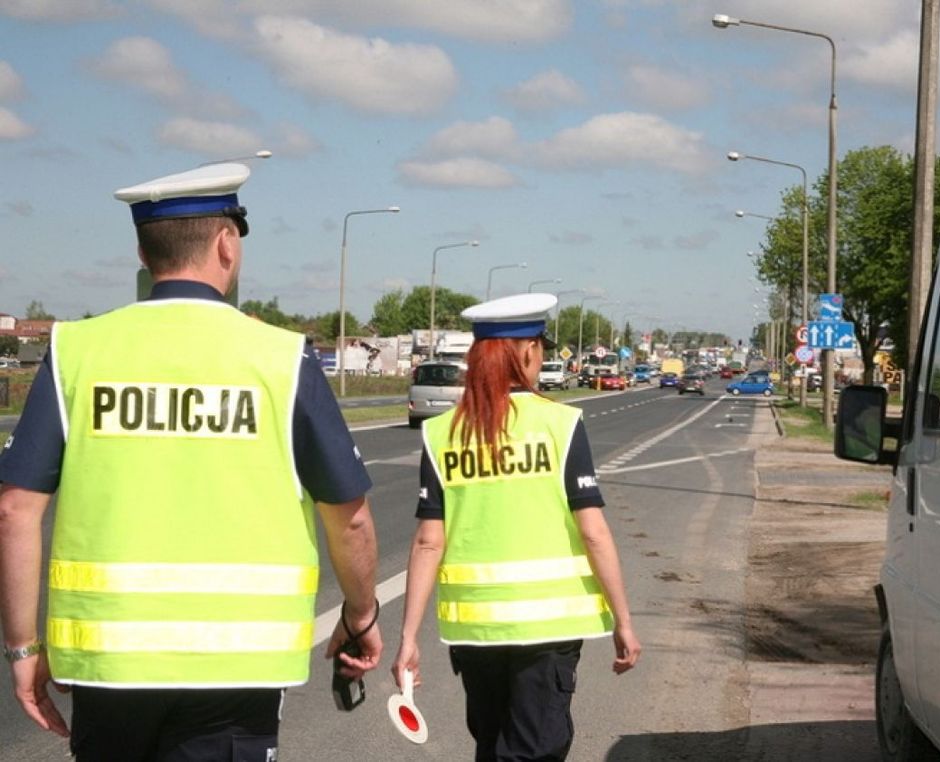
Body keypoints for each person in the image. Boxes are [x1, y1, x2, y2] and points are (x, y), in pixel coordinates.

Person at [0, 162, 381, 760]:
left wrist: (23, 649)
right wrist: (360, 615)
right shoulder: (280, 358)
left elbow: (15, 510)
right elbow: (350, 517)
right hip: (235, 669)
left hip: (108, 666)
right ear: (226, 244)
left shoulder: (77, 350)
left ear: (143, 249)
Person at [392, 292, 640, 761]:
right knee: (532, 750)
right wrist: (623, 621)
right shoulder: (560, 425)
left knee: (493, 745)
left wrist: (408, 639)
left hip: (476, 635)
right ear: (527, 352)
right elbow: (593, 532)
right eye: (540, 348)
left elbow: (429, 542)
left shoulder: (443, 432)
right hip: (547, 630)